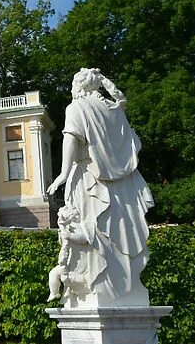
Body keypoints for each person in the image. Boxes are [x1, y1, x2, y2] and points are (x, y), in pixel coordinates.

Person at [46, 68, 154, 305]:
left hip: (89, 179)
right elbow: (133, 143)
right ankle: (126, 288)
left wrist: (63, 173)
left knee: (95, 232)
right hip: (123, 187)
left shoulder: (76, 108)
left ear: (78, 87)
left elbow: (71, 138)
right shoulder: (116, 111)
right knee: (120, 233)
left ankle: (96, 285)